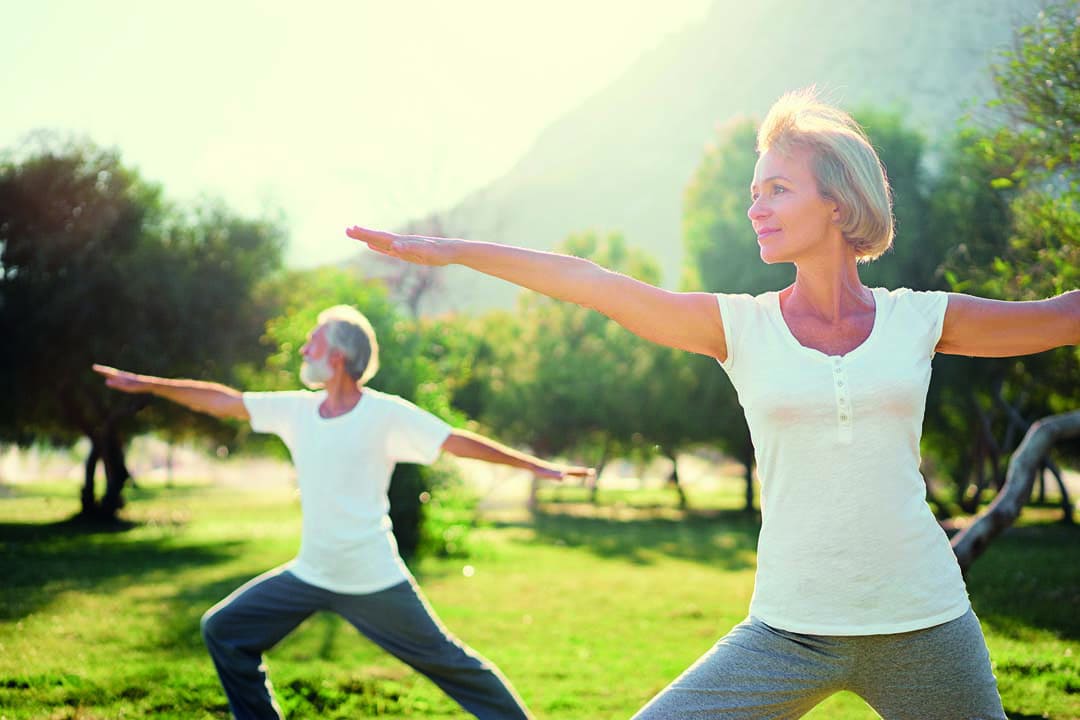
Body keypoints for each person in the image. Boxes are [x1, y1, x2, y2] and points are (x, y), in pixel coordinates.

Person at [345, 88, 1079, 718]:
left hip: (925, 622)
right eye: (753, 192)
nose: (756, 207)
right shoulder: (740, 328)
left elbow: (1060, 316)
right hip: (790, 631)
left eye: (778, 189)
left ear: (837, 200)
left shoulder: (920, 318)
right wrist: (455, 251)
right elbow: (594, 282)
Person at [93, 304, 591, 720]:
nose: (303, 351)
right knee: (224, 630)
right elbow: (224, 401)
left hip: (371, 576)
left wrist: (538, 467)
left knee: (452, 665)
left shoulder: (384, 413)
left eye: (311, 342)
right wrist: (150, 385)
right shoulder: (297, 410)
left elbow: (455, 441)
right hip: (311, 572)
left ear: (336, 357)